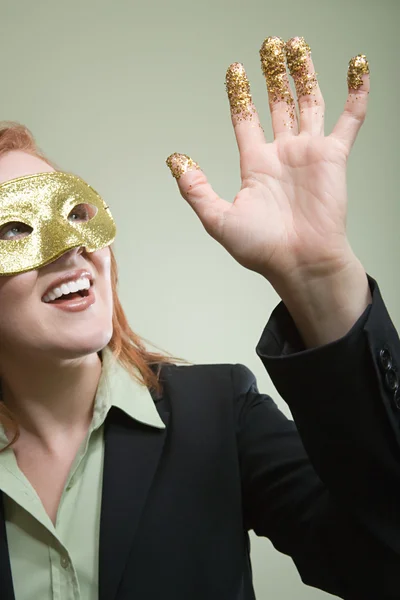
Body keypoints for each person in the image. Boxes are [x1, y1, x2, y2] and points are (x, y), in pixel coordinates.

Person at [0, 35, 399, 600]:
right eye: (15, 229)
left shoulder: (220, 414)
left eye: (74, 210)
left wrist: (322, 280)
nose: (69, 248)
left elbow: (386, 560)